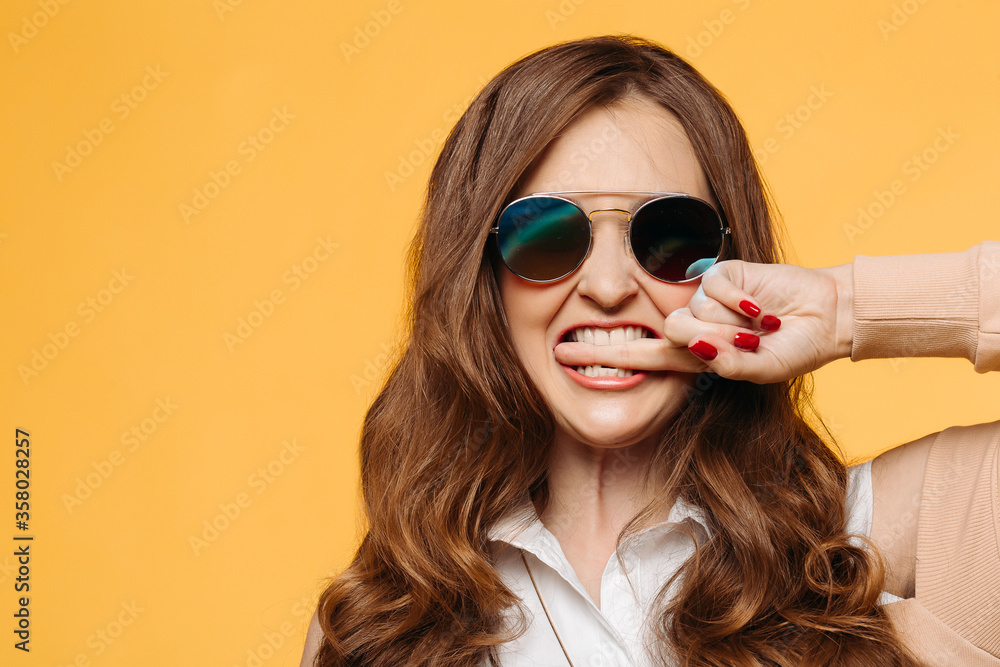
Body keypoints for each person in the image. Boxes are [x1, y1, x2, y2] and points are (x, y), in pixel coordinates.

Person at [300, 35, 999, 666]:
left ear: (731, 265)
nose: (607, 286)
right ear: (484, 280)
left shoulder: (865, 545)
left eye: (670, 236)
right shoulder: (385, 623)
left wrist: (844, 310)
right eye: (546, 235)